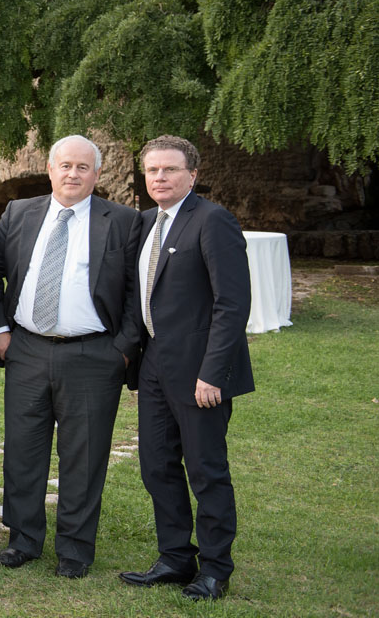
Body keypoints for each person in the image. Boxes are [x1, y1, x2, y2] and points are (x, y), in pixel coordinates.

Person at [0, 135, 141, 579]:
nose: (73, 174)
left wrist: (123, 350)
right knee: (22, 450)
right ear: (50, 169)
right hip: (27, 349)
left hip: (93, 354)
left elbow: (135, 293)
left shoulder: (124, 221)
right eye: (65, 166)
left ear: (97, 174)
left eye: (83, 167)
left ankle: (74, 549)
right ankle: (24, 539)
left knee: (83, 456)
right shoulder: (19, 212)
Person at [120, 135, 253, 602]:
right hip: (154, 366)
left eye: (170, 170)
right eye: (152, 170)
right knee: (156, 466)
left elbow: (232, 304)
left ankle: (215, 570)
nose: (159, 177)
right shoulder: (144, 222)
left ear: (192, 175)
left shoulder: (213, 221)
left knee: (206, 470)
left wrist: (213, 372)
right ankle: (176, 557)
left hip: (201, 373)